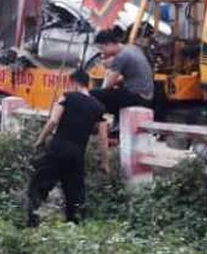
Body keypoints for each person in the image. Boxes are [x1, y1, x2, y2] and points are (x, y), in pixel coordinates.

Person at [26, 68, 109, 227]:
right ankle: (73, 226)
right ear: (88, 83)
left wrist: (40, 140)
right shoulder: (98, 107)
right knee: (74, 195)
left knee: (38, 186)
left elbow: (53, 121)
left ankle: (32, 223)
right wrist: (104, 162)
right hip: (77, 155)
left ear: (73, 83)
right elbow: (103, 138)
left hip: (57, 150)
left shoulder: (67, 97)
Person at [89, 29, 155, 119]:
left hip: (136, 97)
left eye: (102, 48)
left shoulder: (121, 57)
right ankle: (117, 122)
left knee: (93, 94)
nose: (102, 52)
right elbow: (133, 75)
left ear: (109, 44)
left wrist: (108, 70)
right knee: (116, 93)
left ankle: (100, 123)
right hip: (147, 95)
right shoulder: (132, 48)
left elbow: (108, 85)